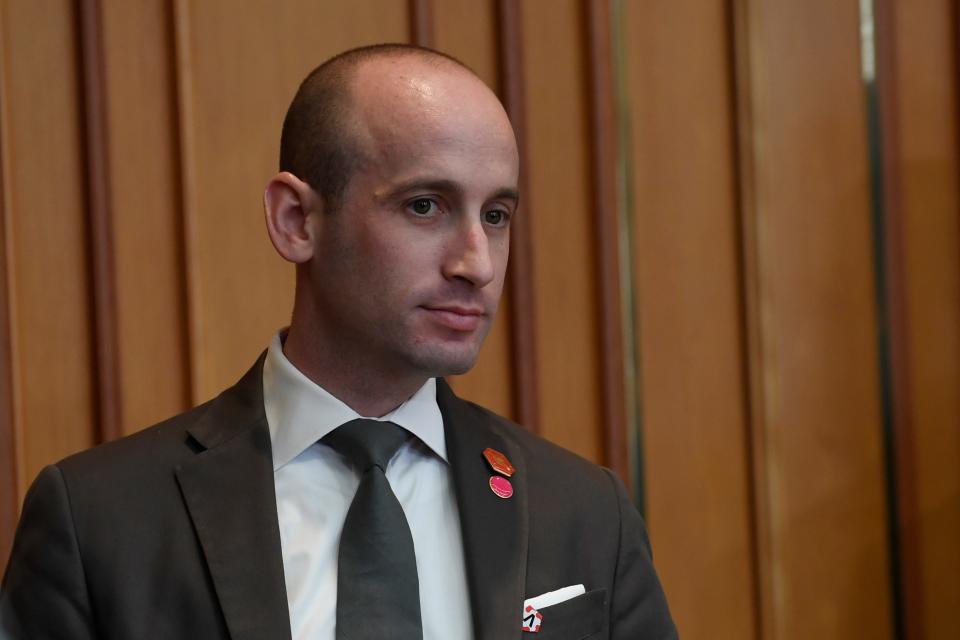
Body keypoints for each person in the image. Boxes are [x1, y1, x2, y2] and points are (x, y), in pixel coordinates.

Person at [0, 44, 676, 640]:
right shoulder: (100, 519)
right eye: (425, 206)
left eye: (495, 215)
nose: (478, 263)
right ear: (296, 220)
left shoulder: (586, 511)